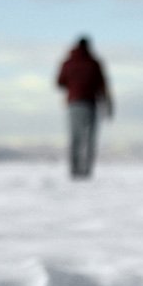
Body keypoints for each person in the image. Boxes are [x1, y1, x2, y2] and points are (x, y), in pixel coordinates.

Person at [56, 36, 113, 180]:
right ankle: (86, 171)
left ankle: (75, 170)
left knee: (75, 138)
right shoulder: (94, 63)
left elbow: (59, 82)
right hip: (90, 104)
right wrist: (108, 104)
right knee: (89, 139)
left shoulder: (68, 63)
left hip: (74, 103)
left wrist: (72, 87)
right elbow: (103, 85)